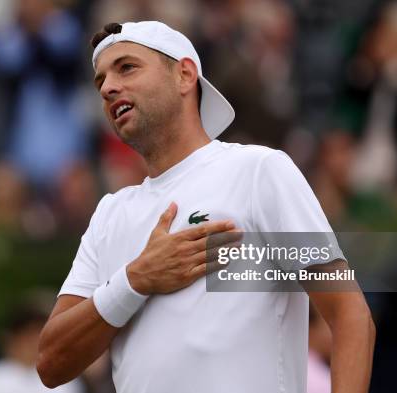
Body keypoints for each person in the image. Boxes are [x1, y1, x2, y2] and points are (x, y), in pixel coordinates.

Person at [37, 21, 375, 393]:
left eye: (127, 67)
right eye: (100, 80)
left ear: (184, 75)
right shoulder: (109, 213)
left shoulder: (258, 170)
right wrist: (134, 280)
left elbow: (350, 316)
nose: (108, 87)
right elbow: (51, 364)